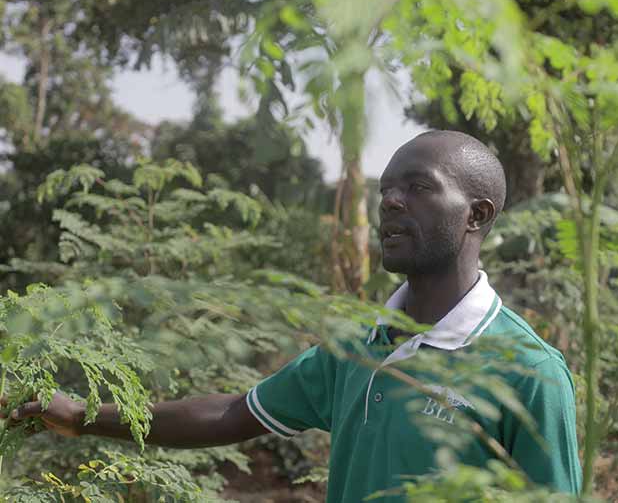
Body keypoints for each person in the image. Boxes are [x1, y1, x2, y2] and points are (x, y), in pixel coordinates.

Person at [7, 130, 582, 500]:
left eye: (418, 187)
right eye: (386, 189)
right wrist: (82, 414)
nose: (390, 201)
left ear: (476, 215)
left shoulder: (530, 372)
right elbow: (234, 413)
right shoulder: (356, 352)